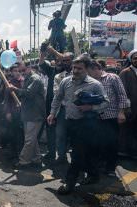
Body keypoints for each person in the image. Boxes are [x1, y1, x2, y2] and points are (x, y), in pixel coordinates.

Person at [48, 56, 109, 194]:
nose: (75, 71)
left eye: (79, 68)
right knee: (84, 153)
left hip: (87, 124)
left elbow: (106, 102)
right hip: (70, 122)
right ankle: (94, 175)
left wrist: (90, 108)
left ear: (87, 69)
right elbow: (57, 98)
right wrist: (52, 113)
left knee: (77, 154)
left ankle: (69, 183)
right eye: (74, 67)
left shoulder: (95, 85)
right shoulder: (65, 81)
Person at [87, 60, 129, 177]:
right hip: (95, 117)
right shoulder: (90, 81)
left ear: (96, 68)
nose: (89, 75)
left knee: (111, 143)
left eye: (90, 72)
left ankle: (110, 168)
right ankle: (98, 166)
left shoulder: (112, 78)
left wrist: (121, 112)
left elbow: (122, 95)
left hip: (110, 116)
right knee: (96, 143)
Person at [39, 43, 74, 164]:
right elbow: (42, 63)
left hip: (69, 108)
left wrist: (52, 50)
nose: (60, 62)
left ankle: (70, 157)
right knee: (54, 132)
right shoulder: (53, 71)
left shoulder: (74, 72)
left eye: (63, 61)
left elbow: (65, 57)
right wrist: (43, 52)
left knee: (66, 134)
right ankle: (54, 153)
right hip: (52, 106)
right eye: (59, 61)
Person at [9, 62, 46, 168]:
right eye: (20, 71)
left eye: (23, 70)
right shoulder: (28, 78)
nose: (21, 73)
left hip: (35, 114)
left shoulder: (35, 79)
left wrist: (15, 89)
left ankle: (23, 161)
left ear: (29, 68)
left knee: (29, 140)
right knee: (32, 138)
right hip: (28, 113)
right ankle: (36, 159)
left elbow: (29, 93)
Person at [119, 49, 137, 158]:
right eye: (135, 58)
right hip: (129, 108)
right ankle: (125, 151)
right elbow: (122, 92)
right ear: (131, 59)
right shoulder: (125, 72)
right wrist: (127, 107)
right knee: (127, 130)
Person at [4, 64, 24, 159]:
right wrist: (8, 112)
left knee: (22, 133)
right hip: (13, 111)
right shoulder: (9, 83)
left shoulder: (23, 81)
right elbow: (6, 99)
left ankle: (22, 152)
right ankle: (13, 153)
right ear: (11, 72)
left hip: (23, 112)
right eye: (15, 71)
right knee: (13, 133)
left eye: (18, 71)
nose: (17, 72)